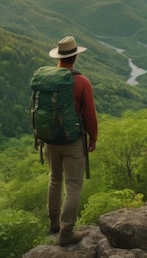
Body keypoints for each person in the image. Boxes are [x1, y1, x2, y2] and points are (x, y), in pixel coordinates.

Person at [45, 36, 98, 247]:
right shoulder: (81, 81)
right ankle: (66, 232)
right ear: (75, 56)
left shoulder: (47, 79)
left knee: (54, 180)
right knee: (74, 185)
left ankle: (53, 225)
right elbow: (89, 116)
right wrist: (93, 138)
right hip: (73, 141)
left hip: (50, 139)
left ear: (59, 57)